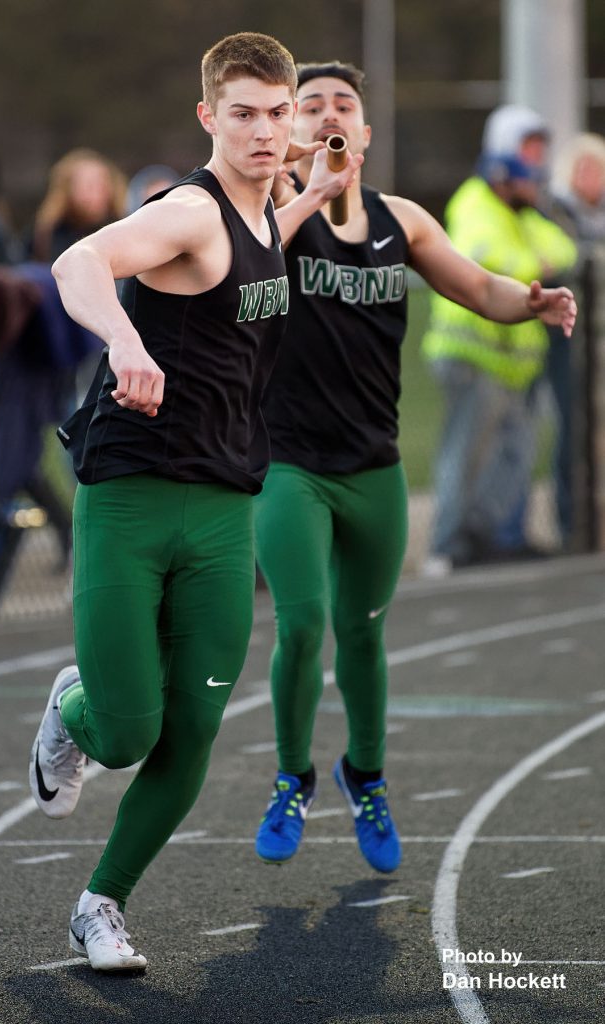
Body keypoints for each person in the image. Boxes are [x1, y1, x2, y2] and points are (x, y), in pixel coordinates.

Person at [28, 32, 361, 972]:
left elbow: (257, 257)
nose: (264, 132)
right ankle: (73, 710)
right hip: (131, 497)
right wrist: (126, 342)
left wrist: (318, 187)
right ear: (208, 117)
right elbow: (77, 266)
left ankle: (101, 905)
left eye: (278, 114)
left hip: (223, 509)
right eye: (243, 114)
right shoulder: (188, 211)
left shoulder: (267, 215)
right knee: (130, 730)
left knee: (196, 728)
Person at [251, 66, 577, 873]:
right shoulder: (267, 217)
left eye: (344, 108)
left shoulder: (403, 222)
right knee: (300, 624)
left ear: (365, 135)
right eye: (311, 107)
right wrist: (301, 185)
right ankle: (291, 775)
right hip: (289, 461)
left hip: (374, 466)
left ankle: (364, 773)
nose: (330, 117)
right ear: (290, 129)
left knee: (362, 633)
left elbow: (479, 288)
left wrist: (529, 301)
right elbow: (242, 266)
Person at [421, 104, 577, 573]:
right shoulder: (474, 203)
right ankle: (444, 547)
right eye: (527, 160)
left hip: (510, 362)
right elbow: (489, 260)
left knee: (513, 457)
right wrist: (535, 265)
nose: (537, 174)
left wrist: (534, 260)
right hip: (471, 356)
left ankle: (479, 539)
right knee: (466, 455)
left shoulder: (521, 213)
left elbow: (561, 247)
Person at [546, 132, 605, 547]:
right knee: (572, 431)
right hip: (568, 343)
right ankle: (574, 524)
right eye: (584, 168)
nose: (591, 177)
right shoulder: (554, 213)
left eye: (598, 169)